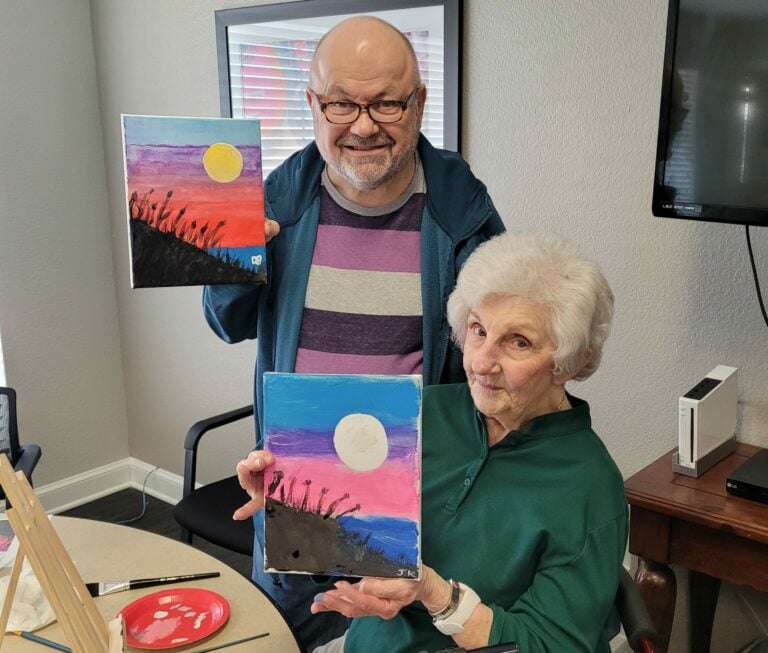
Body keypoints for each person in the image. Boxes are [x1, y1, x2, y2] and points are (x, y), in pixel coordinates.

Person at [204, 14, 504, 651]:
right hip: (296, 495)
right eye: (342, 102)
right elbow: (224, 322)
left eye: (387, 102)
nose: (364, 125)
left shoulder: (461, 209)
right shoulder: (273, 198)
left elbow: (496, 357)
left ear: (418, 102)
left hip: (417, 509)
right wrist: (231, 262)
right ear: (313, 103)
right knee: (284, 639)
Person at [235, 232, 628, 653]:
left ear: (570, 363)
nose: (480, 362)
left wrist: (436, 594)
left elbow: (552, 646)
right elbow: (354, 533)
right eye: (478, 330)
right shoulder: (421, 410)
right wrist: (293, 502)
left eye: (519, 342)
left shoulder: (590, 486)